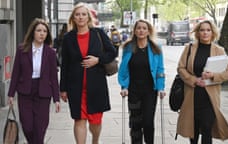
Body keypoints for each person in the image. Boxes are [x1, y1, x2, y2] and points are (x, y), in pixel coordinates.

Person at [60, 3, 116, 144]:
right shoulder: (68, 38)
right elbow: (64, 64)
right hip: (75, 87)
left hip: (96, 86)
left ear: (88, 17)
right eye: (77, 14)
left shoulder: (98, 33)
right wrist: (63, 89)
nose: (80, 17)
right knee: (79, 120)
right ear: (73, 17)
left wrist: (98, 60)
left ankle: (95, 140)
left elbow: (112, 52)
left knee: (95, 122)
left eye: (83, 14)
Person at [176, 20, 228, 144]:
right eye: (202, 30)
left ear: (213, 32)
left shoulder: (219, 50)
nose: (205, 33)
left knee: (207, 129)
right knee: (193, 131)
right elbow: (181, 68)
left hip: (210, 98)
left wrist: (213, 75)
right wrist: (194, 80)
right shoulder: (189, 48)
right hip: (192, 95)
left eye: (208, 30)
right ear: (197, 32)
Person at [7, 18, 60, 144]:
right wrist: (10, 94)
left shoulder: (51, 53)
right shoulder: (22, 50)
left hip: (43, 93)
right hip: (25, 92)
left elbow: (53, 76)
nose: (42, 33)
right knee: (28, 126)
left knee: (40, 128)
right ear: (33, 32)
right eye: (39, 30)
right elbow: (15, 73)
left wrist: (56, 99)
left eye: (44, 31)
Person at [118, 19, 166, 144]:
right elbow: (124, 69)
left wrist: (161, 87)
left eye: (144, 28)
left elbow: (160, 69)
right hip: (133, 90)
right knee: (135, 122)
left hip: (150, 90)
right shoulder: (128, 47)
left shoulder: (156, 48)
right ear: (134, 31)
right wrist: (124, 86)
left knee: (148, 122)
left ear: (149, 31)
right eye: (138, 28)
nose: (141, 31)